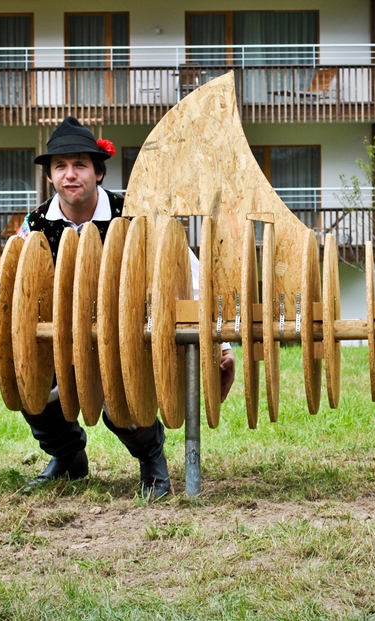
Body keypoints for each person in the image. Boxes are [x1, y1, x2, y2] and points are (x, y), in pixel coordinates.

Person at [17, 116, 235, 498]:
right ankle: (68, 458)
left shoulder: (133, 213)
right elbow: (18, 287)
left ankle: (152, 459)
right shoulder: (35, 225)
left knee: (125, 395)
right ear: (50, 176)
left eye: (80, 165)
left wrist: (221, 342)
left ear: (98, 172)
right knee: (31, 387)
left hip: (127, 336)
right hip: (59, 339)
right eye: (60, 166)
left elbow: (188, 272)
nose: (70, 175)